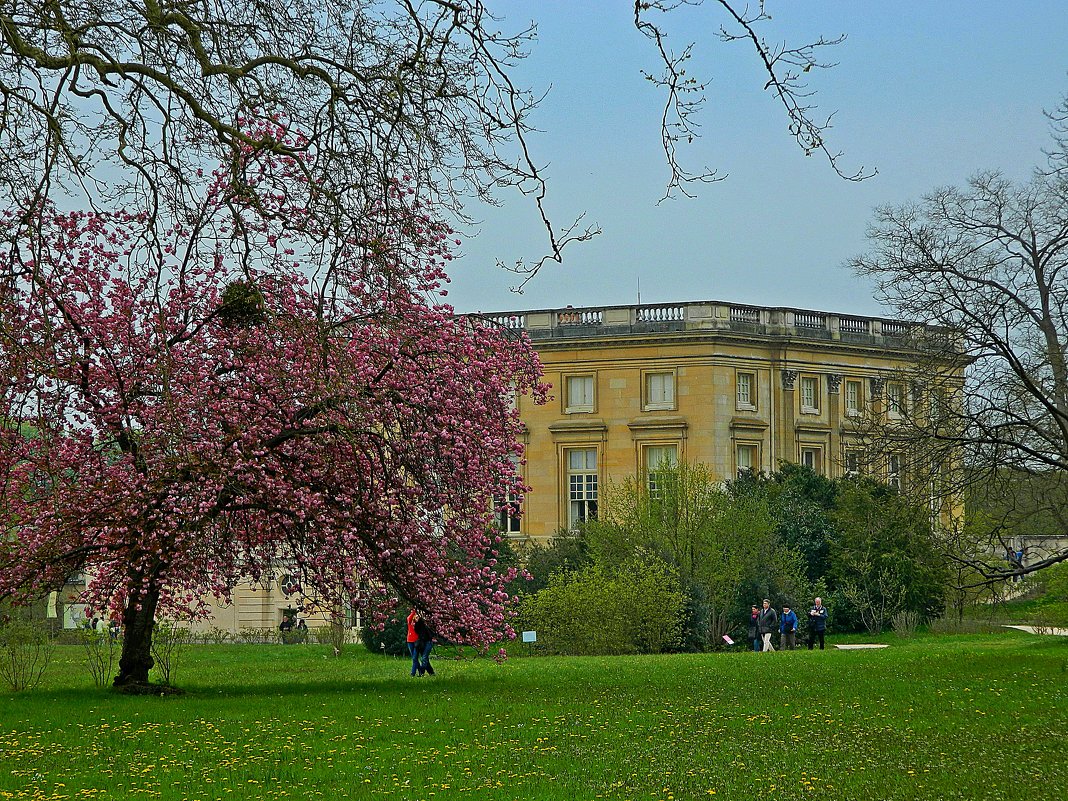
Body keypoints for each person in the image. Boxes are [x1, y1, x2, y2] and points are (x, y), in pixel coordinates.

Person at [406, 608, 421, 677]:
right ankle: (420, 671)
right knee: (414, 658)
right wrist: (414, 611)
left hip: (417, 642)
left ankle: (413, 673)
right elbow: (409, 618)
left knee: (415, 658)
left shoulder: (419, 624)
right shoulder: (410, 622)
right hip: (410, 641)